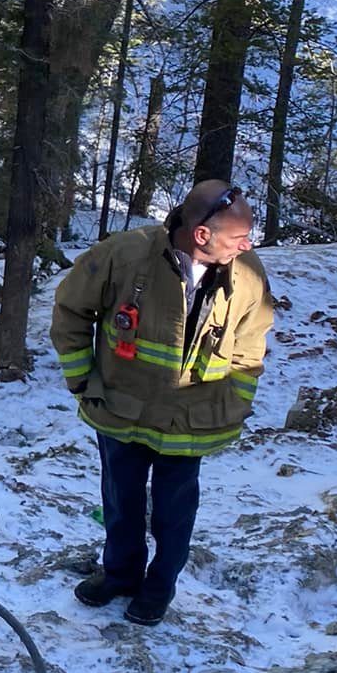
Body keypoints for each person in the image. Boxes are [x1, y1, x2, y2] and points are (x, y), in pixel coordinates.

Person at [51, 180, 275, 625]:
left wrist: (234, 404)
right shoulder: (125, 255)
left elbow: (251, 345)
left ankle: (158, 590)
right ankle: (118, 574)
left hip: (189, 422)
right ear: (200, 235)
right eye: (238, 238)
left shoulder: (247, 273)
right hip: (122, 412)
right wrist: (81, 380)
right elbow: (71, 309)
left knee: (174, 515)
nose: (247, 246)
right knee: (120, 502)